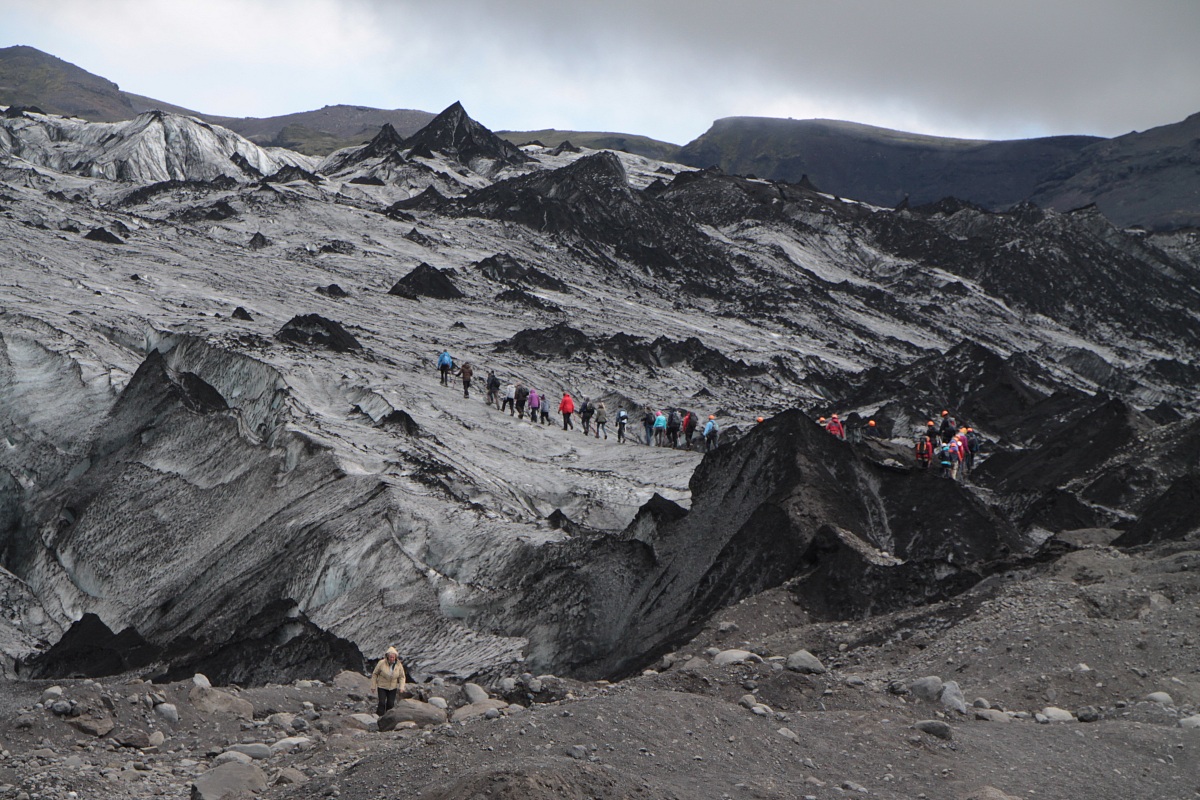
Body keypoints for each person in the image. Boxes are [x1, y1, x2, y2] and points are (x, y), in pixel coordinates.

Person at [371, 646, 406, 717]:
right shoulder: (381, 663)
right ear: (387, 656)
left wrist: (401, 687)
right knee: (382, 703)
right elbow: (375, 674)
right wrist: (373, 686)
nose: (392, 659)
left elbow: (402, 677)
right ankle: (378, 717)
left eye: (393, 657)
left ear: (395, 657)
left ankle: (387, 718)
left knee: (390, 704)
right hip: (382, 686)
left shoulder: (399, 665)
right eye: (390, 657)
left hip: (392, 688)